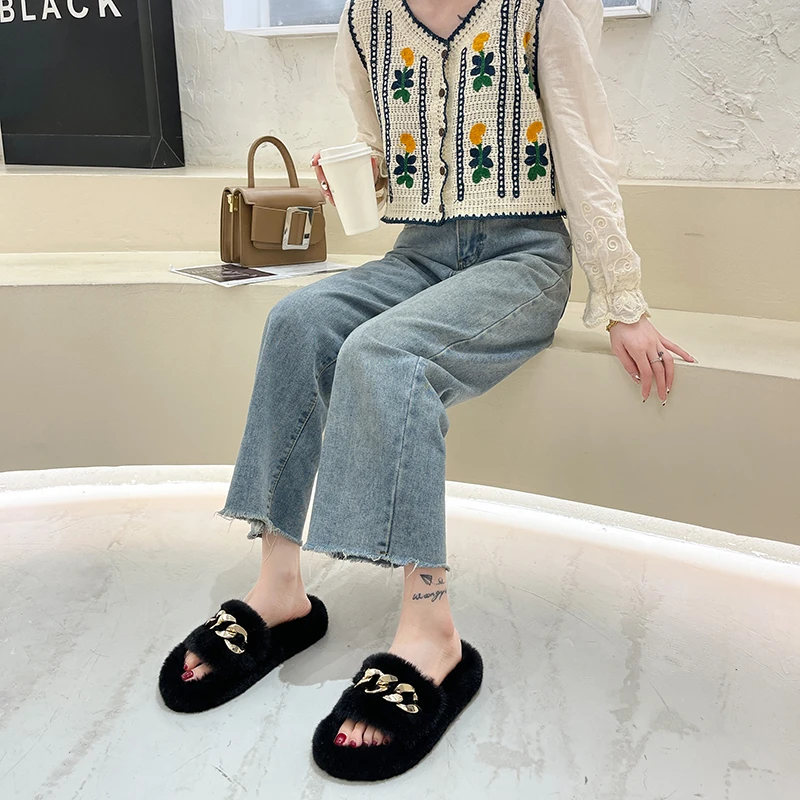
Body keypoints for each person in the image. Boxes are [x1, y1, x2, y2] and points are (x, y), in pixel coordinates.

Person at [158, 0, 695, 782]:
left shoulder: (538, 10)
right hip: (419, 256)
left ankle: (431, 630)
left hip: (523, 260)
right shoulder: (367, 21)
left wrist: (623, 300)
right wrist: (365, 171)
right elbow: (385, 156)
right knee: (296, 322)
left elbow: (581, 152)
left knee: (383, 355)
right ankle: (278, 590)